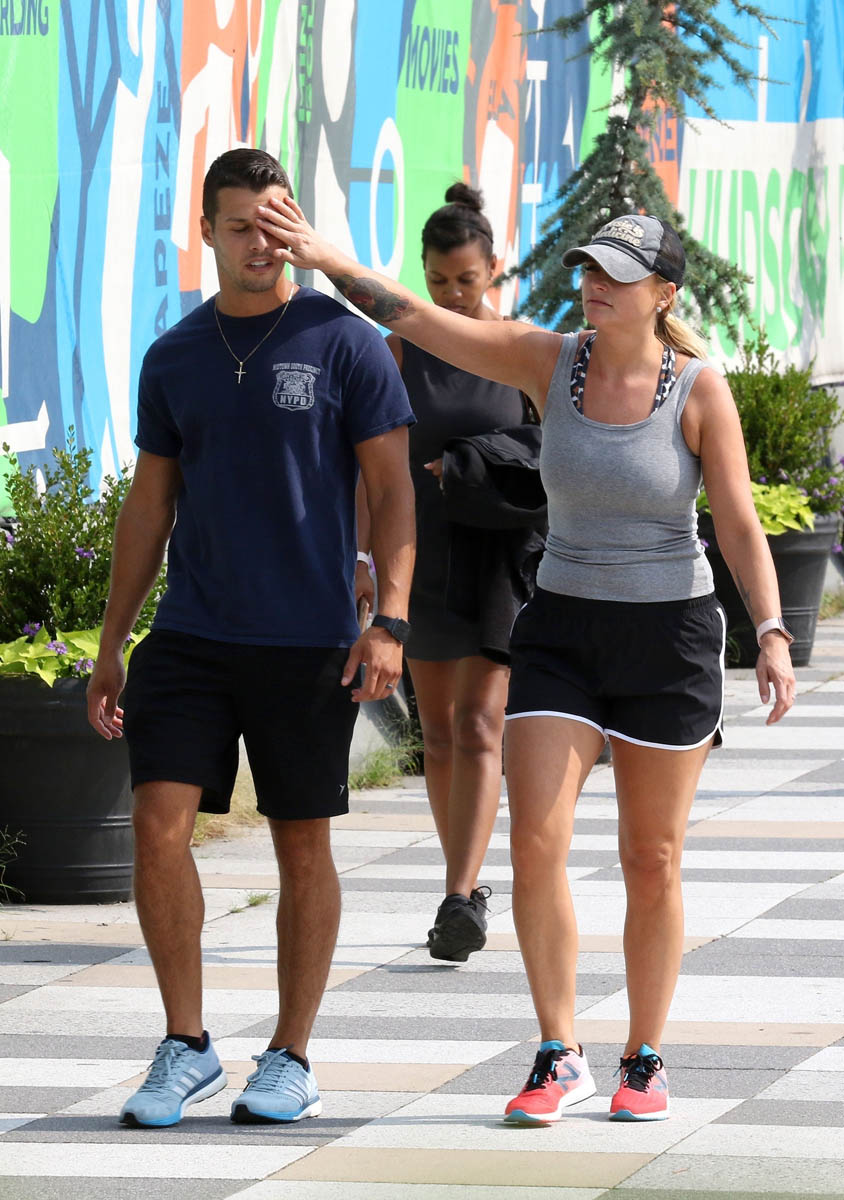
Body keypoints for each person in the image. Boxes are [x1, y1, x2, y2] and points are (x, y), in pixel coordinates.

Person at [256, 199, 795, 1124]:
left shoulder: (700, 390)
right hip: (561, 630)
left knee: (651, 857)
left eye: (616, 275)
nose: (593, 286)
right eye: (589, 270)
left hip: (668, 638)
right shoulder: (549, 361)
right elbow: (414, 316)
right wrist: (320, 254)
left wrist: (774, 631)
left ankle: (644, 1057)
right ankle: (559, 1050)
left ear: (662, 293)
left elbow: (738, 521)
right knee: (535, 840)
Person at [86, 148, 415, 1129]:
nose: (260, 244)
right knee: (158, 828)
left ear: (296, 226)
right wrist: (112, 642)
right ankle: (185, 1045)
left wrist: (389, 621)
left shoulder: (346, 342)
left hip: (306, 641)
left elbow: (394, 491)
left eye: (276, 225)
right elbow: (149, 507)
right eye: (241, 226)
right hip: (190, 634)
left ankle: (291, 1055)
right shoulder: (174, 355)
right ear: (207, 232)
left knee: (301, 845)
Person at [358, 183, 532, 963]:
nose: (453, 294)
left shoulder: (523, 349)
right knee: (437, 733)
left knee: (480, 723)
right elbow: (373, 469)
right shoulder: (399, 351)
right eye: (437, 280)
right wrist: (363, 559)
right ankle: (461, 881)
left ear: (493, 268)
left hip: (499, 554)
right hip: (419, 551)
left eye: (466, 278)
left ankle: (461, 896)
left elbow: (559, 450)